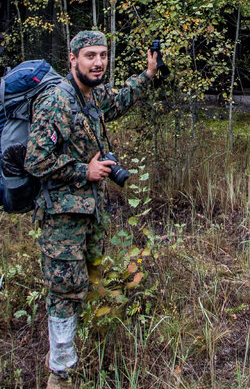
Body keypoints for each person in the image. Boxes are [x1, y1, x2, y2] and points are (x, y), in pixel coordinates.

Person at [27, 30, 158, 388]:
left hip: (91, 213)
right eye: (90, 56)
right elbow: (35, 161)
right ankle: (61, 374)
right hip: (63, 219)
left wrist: (147, 74)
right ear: (73, 60)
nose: (98, 62)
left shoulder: (93, 95)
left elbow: (118, 100)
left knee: (84, 283)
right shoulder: (57, 101)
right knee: (66, 291)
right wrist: (83, 170)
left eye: (102, 55)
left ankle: (68, 354)